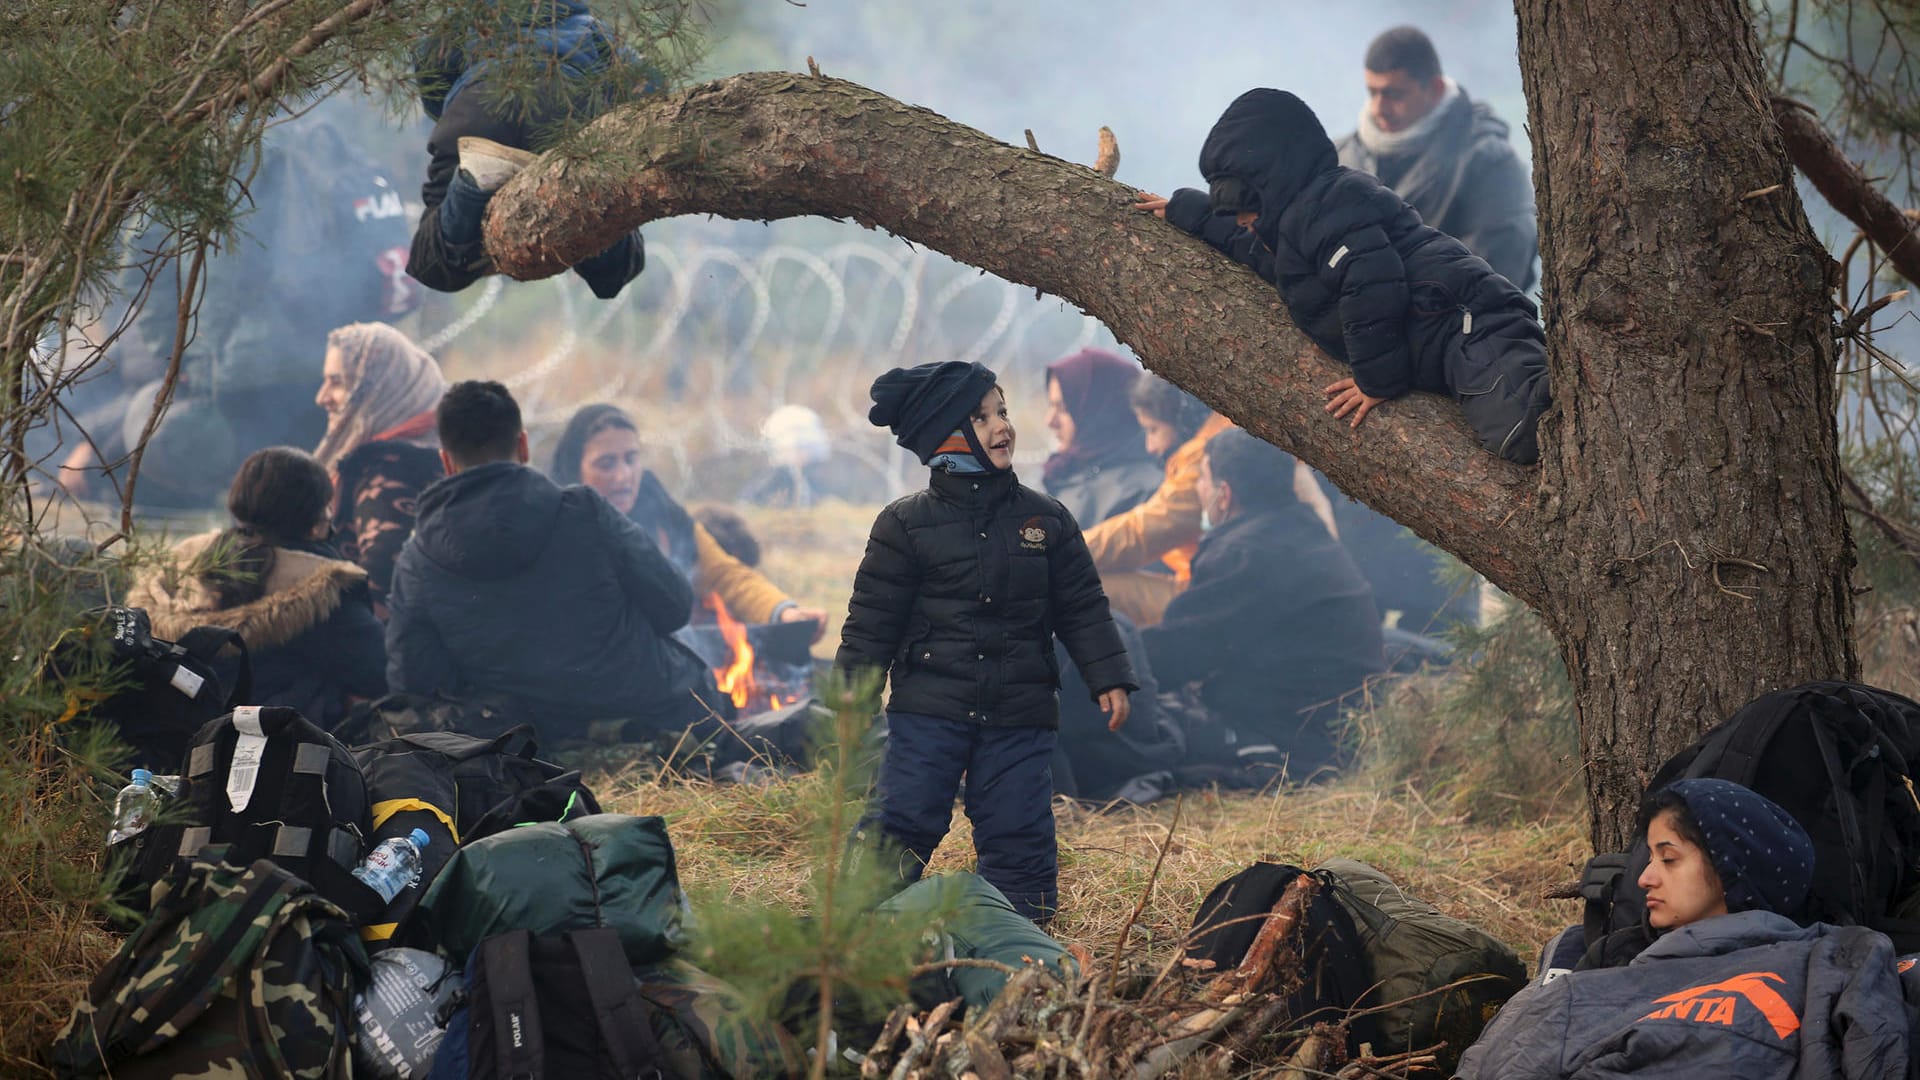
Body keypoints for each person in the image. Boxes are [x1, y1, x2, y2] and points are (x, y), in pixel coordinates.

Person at [838, 360, 1137, 923]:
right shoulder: (904, 525)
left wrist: (1109, 675)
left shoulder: (1046, 520)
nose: (1003, 427)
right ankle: (857, 924)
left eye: (1003, 411)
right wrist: (850, 694)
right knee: (904, 815)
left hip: (1019, 709)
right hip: (930, 707)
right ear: (945, 438)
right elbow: (872, 620)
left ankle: (1019, 935)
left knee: (1019, 824)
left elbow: (1082, 606)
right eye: (981, 417)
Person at [1137, 89, 1552, 465]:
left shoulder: (1332, 203)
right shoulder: (1284, 232)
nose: (1242, 220)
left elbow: (1370, 284)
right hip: (1439, 340)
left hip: (1468, 325)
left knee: (1529, 431)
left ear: (1274, 187)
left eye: (1246, 205)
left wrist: (1376, 381)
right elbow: (1247, 247)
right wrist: (1184, 210)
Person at [1457, 779, 1912, 1078]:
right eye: (1650, 857)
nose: (1644, 878)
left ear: (1734, 867)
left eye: (1668, 858)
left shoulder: (1827, 959)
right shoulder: (1607, 966)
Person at [385, 381, 732, 741]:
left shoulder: (418, 558)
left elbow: (414, 680)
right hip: (654, 719)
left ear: (446, 461)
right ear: (522, 446)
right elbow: (674, 606)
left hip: (526, 741)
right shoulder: (586, 511)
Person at [1141, 429, 1383, 780]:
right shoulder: (1299, 528)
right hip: (1331, 732)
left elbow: (1177, 655)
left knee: (1131, 737)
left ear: (1224, 495)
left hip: (1292, 743)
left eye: (1203, 480)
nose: (1198, 491)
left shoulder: (1245, 553)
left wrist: (1103, 664)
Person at [127, 447, 386, 729]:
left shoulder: (185, 562)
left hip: (172, 739)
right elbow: (380, 674)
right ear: (314, 520)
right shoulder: (322, 588)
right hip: (279, 750)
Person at [406, 0, 649, 298]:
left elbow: (429, 68)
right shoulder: (593, 28)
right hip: (571, 116)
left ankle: (472, 181)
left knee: (430, 263)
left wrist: (456, 119)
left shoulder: (467, 16)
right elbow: (647, 85)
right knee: (616, 271)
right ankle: (593, 208)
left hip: (481, 107)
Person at [548, 403, 827, 636]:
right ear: (575, 470)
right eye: (606, 464)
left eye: (631, 459)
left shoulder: (660, 511)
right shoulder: (557, 532)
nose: (624, 476)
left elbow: (723, 573)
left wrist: (784, 612)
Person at [1336, 26, 1538, 291]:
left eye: (1394, 94)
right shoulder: (1340, 156)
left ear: (1434, 88)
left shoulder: (1490, 164)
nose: (1378, 109)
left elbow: (1495, 276)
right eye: (1372, 92)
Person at [312, 322, 447, 615]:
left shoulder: (389, 468)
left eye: (337, 382)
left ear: (378, 387)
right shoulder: (437, 451)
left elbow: (381, 580)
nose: (322, 397)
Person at [1080, 376, 1232, 627]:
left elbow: (1144, 532)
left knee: (1083, 588)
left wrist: (1059, 551)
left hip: (1211, 595)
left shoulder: (1204, 455)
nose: (1150, 446)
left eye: (1153, 430)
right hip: (1209, 581)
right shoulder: (1212, 437)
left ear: (1180, 420)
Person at [1039, 348, 1163, 529]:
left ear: (1099, 411)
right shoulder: (1067, 472)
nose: (1050, 421)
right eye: (1051, 405)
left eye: (1064, 408)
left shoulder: (1142, 492)